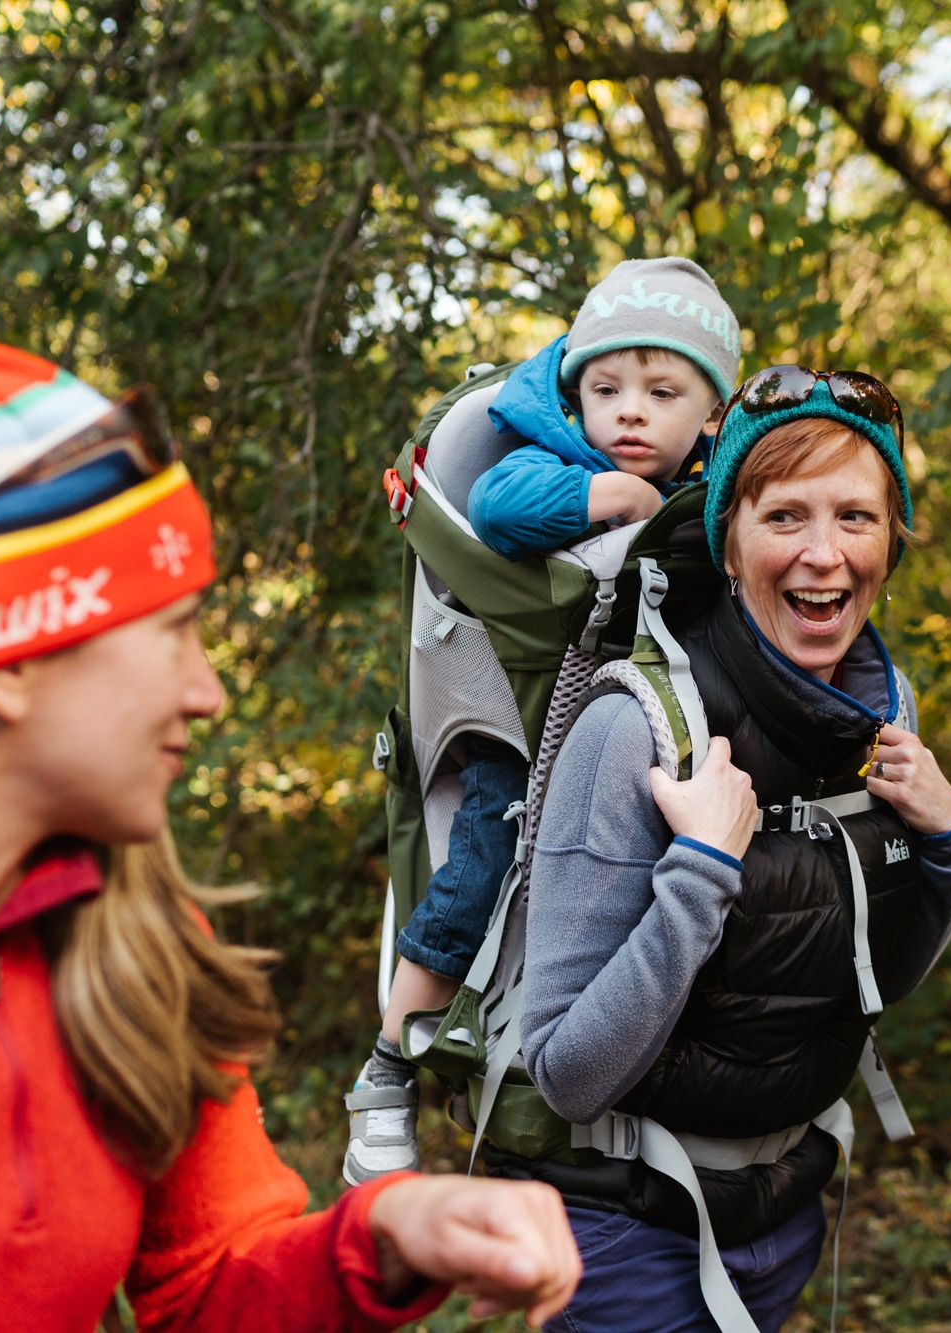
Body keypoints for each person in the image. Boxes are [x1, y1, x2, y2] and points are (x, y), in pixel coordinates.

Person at [0, 266, 580, 1333]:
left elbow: (210, 1284)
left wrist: (386, 1236)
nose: (205, 689)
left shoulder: (131, 934)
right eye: (170, 630)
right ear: (4, 658)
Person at [501, 366, 951, 1331]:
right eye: (785, 517)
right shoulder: (633, 731)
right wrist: (700, 876)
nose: (824, 554)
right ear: (728, 542)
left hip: (786, 1210)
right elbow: (567, 1071)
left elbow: (868, 975)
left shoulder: (877, 717)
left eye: (857, 517)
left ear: (894, 539)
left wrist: (949, 842)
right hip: (626, 1234)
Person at [347, 257, 742, 1182]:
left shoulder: (717, 478)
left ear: (711, 412)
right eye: (605, 388)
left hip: (642, 730)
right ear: (575, 394)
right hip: (520, 729)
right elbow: (499, 506)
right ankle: (389, 1063)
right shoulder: (556, 452)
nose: (630, 411)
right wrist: (607, 498)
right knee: (481, 863)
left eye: (660, 390)